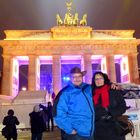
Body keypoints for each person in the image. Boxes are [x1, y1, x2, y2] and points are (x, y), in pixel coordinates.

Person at [53, 67, 95, 140]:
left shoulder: (89, 88)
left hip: (91, 131)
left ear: (82, 77)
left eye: (79, 76)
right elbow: (58, 112)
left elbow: (102, 87)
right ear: (70, 78)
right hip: (76, 133)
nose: (77, 79)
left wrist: (113, 85)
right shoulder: (65, 92)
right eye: (74, 77)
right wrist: (69, 129)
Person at [92, 71, 127, 140]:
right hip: (99, 128)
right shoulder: (91, 93)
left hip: (113, 126)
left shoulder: (113, 90)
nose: (98, 81)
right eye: (96, 79)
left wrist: (111, 113)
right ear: (94, 81)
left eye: (101, 78)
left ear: (104, 79)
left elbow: (122, 107)